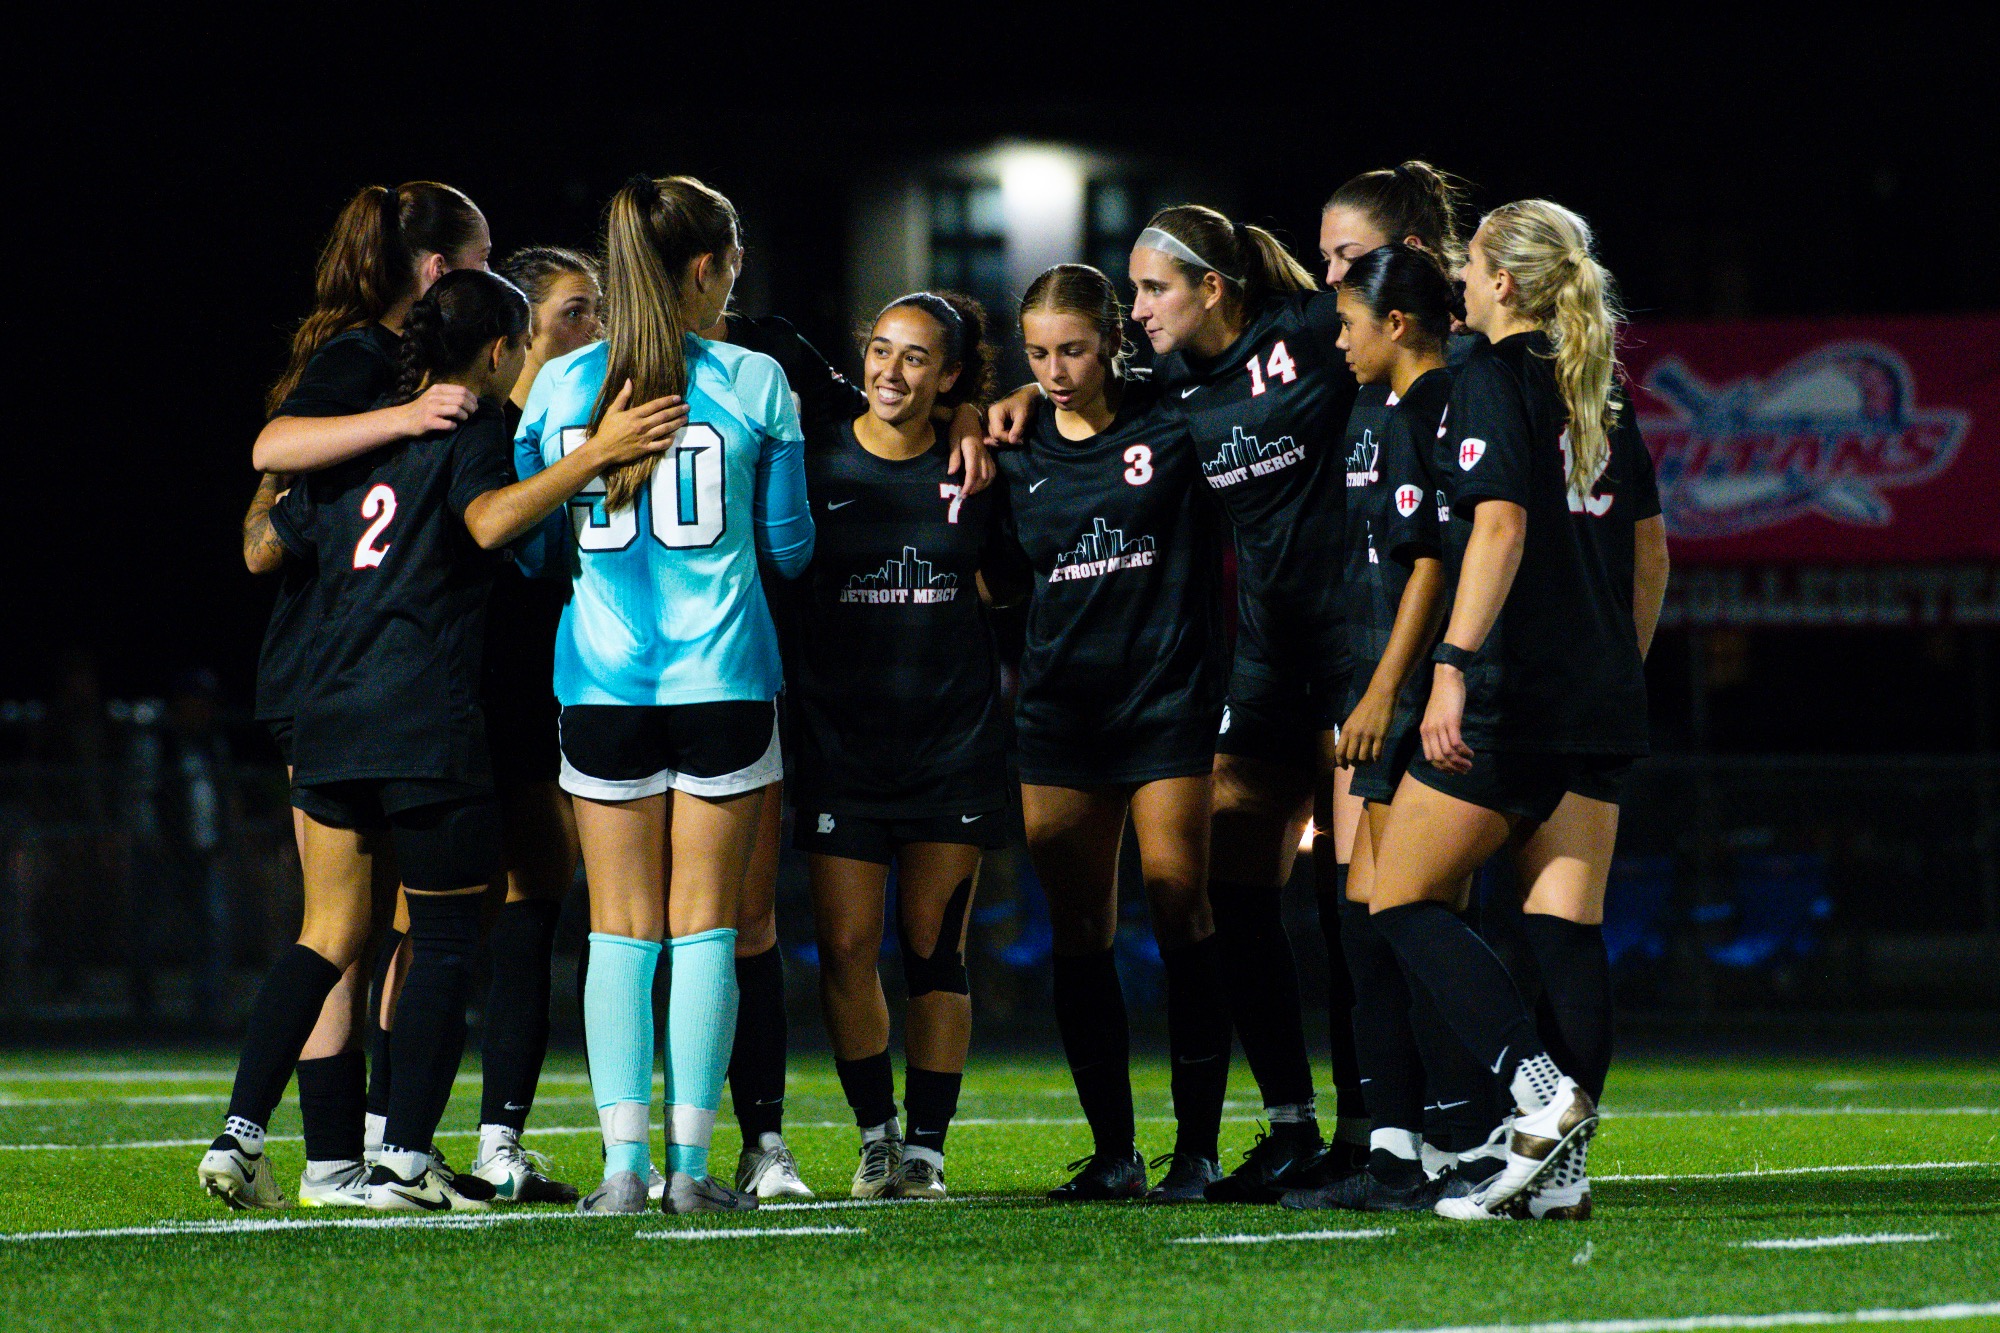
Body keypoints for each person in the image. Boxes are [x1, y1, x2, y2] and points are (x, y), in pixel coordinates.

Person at [205, 268, 680, 1212]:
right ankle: (406, 1161)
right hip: (422, 716)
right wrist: (595, 457)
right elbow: (490, 520)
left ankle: (241, 1133)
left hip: (329, 713)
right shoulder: (475, 430)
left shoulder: (358, 437)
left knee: (327, 932)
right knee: (453, 933)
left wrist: (278, 476)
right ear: (503, 349)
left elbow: (267, 542)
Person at [514, 174, 813, 1216]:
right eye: (730, 258)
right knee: (704, 930)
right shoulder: (754, 380)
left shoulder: (555, 389)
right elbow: (792, 549)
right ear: (703, 267)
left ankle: (617, 1171)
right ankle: (691, 1170)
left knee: (617, 931)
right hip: (724, 678)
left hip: (599, 683)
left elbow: (527, 557)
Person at [1365, 199, 1666, 1221]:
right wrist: (1611, 664)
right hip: (1595, 697)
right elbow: (1648, 552)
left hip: (1508, 693)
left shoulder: (1489, 376)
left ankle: (1539, 1099)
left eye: (1468, 265)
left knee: (1398, 897)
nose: (1455, 280)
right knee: (1563, 931)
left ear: (1501, 282)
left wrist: (1450, 666)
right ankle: (1560, 1180)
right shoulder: (1598, 386)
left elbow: (1494, 525)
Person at [238, 180, 492, 1207]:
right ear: (438, 271)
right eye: (481, 259)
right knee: (343, 927)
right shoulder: (367, 358)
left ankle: (377, 1149)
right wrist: (402, 414)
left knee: (376, 925)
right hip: (333, 672)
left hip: (367, 671)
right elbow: (269, 461)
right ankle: (340, 1152)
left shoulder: (408, 371)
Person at [1124, 207, 1359, 1198]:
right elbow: (1083, 393)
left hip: (1359, 656)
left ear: (1211, 287)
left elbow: (1417, 353)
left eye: (1151, 288)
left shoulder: (1308, 336)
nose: (1136, 309)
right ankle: (1292, 1123)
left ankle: (1380, 1128)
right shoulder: (1176, 387)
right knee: (1231, 888)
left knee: (1356, 902)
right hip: (1264, 664)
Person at [996, 264, 1234, 1203]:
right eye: (1038, 354)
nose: (1055, 370)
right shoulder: (1012, 448)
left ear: (1113, 344)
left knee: (1182, 905)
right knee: (1080, 930)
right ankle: (1113, 1153)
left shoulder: (1173, 419)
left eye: (1075, 349)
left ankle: (1199, 1150)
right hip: (1059, 714)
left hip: (1166, 702)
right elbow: (997, 574)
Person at [1285, 244, 1500, 1212]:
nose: (1338, 339)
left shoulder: (1432, 409)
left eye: (1348, 321)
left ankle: (1465, 1133)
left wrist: (1380, 693)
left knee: (1409, 919)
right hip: (1378, 688)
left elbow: (1428, 569)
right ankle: (1400, 1147)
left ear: (1397, 324)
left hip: (1410, 704)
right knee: (1372, 922)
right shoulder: (1373, 409)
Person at [788, 291, 1007, 1201]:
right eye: (880, 349)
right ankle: (874, 1134)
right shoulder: (813, 459)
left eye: (917, 358)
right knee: (844, 946)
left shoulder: (978, 473)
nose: (891, 369)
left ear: (950, 376)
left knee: (933, 951)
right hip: (841, 745)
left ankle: (927, 1148)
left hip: (952, 745)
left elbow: (1013, 593)